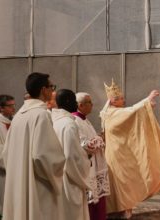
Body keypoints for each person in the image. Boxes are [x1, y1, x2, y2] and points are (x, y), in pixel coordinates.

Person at [100, 80, 160, 218]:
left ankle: (124, 208)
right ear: (113, 101)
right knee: (121, 183)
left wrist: (147, 107)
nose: (124, 101)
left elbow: (131, 114)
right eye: (121, 99)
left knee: (126, 182)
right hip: (116, 154)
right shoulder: (111, 113)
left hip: (121, 153)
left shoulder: (111, 112)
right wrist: (147, 100)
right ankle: (120, 209)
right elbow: (132, 111)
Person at [2, 72, 65, 220]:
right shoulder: (41, 115)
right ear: (44, 90)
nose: (52, 90)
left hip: (19, 183)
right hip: (38, 186)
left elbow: (6, 153)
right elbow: (44, 156)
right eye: (51, 87)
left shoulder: (18, 116)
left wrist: (18, 173)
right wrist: (61, 163)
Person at [52, 89, 91, 220]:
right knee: (73, 214)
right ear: (68, 101)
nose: (76, 103)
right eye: (74, 101)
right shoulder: (69, 124)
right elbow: (71, 156)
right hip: (70, 178)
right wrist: (87, 158)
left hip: (59, 174)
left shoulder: (55, 121)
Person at [74, 92, 110, 220]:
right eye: (89, 102)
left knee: (99, 200)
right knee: (92, 203)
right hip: (88, 166)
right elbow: (84, 145)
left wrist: (98, 138)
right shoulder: (75, 120)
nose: (92, 105)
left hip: (96, 165)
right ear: (80, 105)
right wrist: (99, 140)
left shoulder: (84, 119)